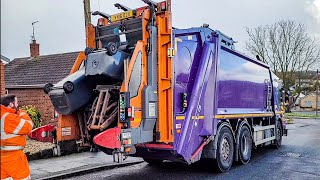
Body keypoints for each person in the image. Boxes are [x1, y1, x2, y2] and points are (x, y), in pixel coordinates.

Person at [1, 95, 33, 180]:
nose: (18, 105)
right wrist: (22, 113)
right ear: (11, 104)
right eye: (17, 102)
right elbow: (28, 126)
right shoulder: (9, 117)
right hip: (13, 158)